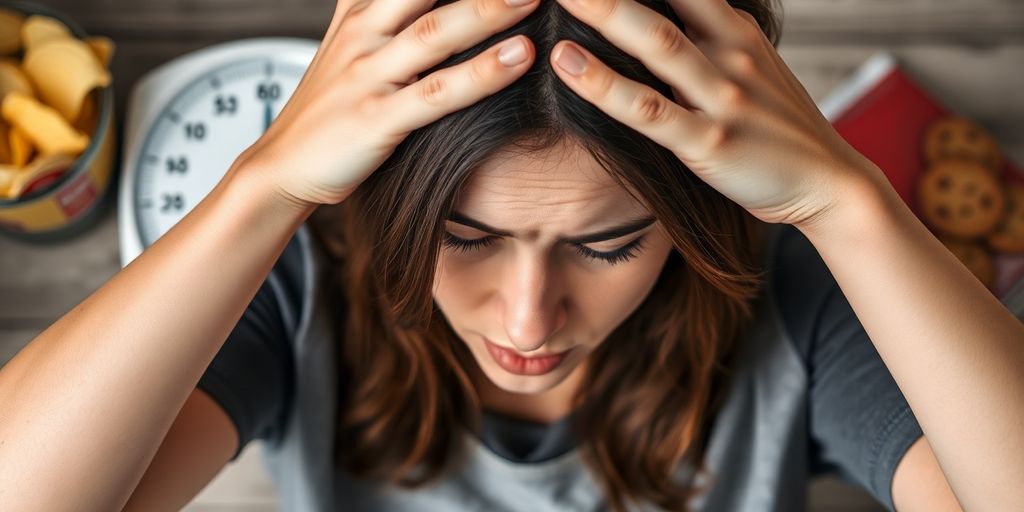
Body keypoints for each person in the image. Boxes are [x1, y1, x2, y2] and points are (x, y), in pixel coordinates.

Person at [2, 0, 1022, 510]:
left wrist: (847, 200)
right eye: (465, 237)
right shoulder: (301, 282)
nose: (528, 319)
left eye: (610, 242)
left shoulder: (795, 289)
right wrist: (263, 182)